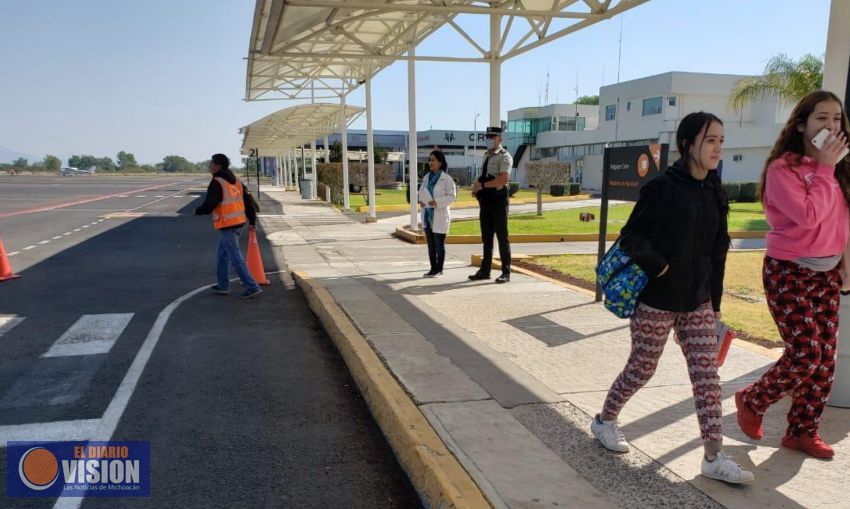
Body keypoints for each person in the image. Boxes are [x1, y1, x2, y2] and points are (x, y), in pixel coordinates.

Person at [590, 112, 754, 484]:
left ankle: (713, 457)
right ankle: (605, 421)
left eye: (721, 140)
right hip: (656, 299)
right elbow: (631, 236)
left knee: (707, 376)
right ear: (688, 144)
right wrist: (659, 266)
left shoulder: (715, 190)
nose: (717, 148)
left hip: (697, 302)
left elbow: (718, 253)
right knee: (642, 368)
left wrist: (714, 306)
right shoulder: (662, 187)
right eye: (710, 140)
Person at [735, 91, 850, 459]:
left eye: (837, 119)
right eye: (821, 119)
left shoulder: (840, 168)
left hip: (827, 273)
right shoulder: (783, 170)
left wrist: (845, 265)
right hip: (789, 272)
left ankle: (801, 431)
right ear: (801, 125)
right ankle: (752, 399)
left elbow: (841, 222)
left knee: (825, 360)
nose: (831, 126)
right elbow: (809, 217)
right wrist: (825, 167)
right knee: (806, 353)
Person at [195, 153, 262, 299]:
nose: (209, 166)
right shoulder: (236, 181)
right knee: (222, 254)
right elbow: (248, 201)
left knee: (235, 256)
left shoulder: (217, 182)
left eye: (211, 163)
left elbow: (211, 203)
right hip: (238, 222)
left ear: (218, 166)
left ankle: (252, 286)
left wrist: (199, 211)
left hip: (227, 224)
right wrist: (252, 221)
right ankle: (223, 284)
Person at [469, 126, 513, 283]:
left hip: (499, 199)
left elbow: (503, 179)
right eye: (487, 137)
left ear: (499, 139)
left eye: (492, 137)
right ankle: (485, 270)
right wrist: (476, 187)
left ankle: (506, 272)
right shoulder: (486, 155)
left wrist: (483, 186)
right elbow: (484, 176)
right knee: (486, 237)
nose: (489, 140)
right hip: (486, 200)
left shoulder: (504, 156)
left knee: (502, 236)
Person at [418, 150, 457, 277]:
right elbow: (421, 192)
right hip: (427, 215)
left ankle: (439, 269)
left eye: (433, 160)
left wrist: (437, 202)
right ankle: (432, 268)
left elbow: (452, 197)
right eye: (429, 160)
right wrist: (421, 202)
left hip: (440, 215)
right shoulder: (426, 177)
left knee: (439, 244)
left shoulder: (447, 179)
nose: (430, 162)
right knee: (431, 246)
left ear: (440, 162)